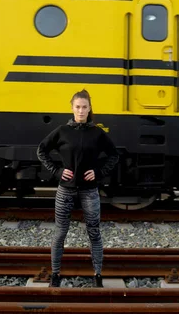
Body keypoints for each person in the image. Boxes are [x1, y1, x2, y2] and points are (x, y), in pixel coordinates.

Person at [36, 89, 119, 288]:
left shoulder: (97, 133)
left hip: (89, 190)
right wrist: (56, 171)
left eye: (84, 107)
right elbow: (41, 150)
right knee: (60, 232)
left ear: (90, 108)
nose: (81, 111)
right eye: (77, 107)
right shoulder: (62, 131)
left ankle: (97, 275)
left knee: (94, 232)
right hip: (65, 190)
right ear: (72, 108)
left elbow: (113, 155)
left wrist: (98, 173)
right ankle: (55, 274)